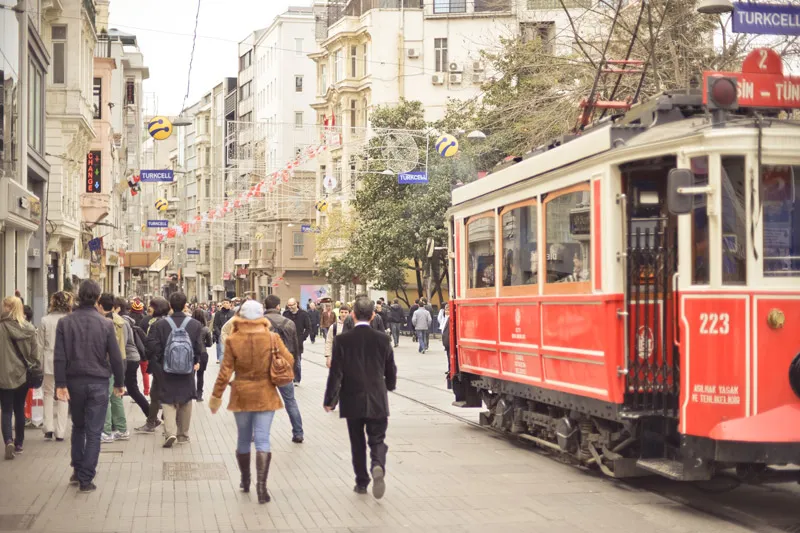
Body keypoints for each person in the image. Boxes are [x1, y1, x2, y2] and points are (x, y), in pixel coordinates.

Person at [210, 300, 294, 504]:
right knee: (263, 439)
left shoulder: (233, 340)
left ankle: (245, 479)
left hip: (241, 393)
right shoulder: (272, 338)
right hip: (266, 393)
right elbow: (290, 359)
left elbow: (225, 372)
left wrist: (216, 396)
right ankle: (262, 487)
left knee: (243, 438)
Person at [54, 280, 124, 492]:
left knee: (78, 426)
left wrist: (60, 384)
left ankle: (77, 469)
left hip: (74, 381)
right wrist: (119, 383)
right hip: (99, 382)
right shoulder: (105, 324)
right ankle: (86, 478)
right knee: (94, 432)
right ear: (97, 298)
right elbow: (116, 357)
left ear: (78, 295)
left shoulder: (65, 323)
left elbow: (59, 356)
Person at [324, 297, 396, 499]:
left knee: (357, 442)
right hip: (377, 397)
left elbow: (336, 373)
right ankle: (377, 464)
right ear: (373, 316)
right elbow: (390, 368)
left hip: (351, 397)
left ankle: (361, 482)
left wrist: (330, 400)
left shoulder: (342, 340)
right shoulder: (383, 339)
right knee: (377, 438)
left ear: (353, 315)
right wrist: (389, 385)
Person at [146, 292, 204, 447]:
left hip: (167, 369)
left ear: (170, 305)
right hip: (187, 369)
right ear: (185, 305)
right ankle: (183, 435)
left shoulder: (160, 324)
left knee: (167, 399)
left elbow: (152, 345)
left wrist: (161, 360)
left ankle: (170, 432)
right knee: (186, 400)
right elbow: (199, 347)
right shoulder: (195, 324)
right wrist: (195, 361)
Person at [0, 296, 41, 459]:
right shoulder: (29, 328)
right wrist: (33, 365)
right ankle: (19, 443)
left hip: (3, 375)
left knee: (6, 409)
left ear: (7, 308)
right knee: (19, 409)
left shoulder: (1, 327)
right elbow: (35, 354)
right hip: (23, 374)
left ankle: (8, 441)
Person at [263, 295, 305, 443]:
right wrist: (293, 368)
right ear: (278, 307)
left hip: (265, 368)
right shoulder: (289, 323)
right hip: (284, 368)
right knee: (290, 401)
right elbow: (295, 349)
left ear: (265, 306)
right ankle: (298, 433)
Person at [38, 291, 72, 442]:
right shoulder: (70, 320)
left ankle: (48, 428)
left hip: (48, 359)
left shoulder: (45, 320)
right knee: (63, 394)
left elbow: (39, 345)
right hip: (65, 360)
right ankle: (60, 431)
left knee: (48, 393)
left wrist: (38, 363)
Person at [97, 293, 129, 443]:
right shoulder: (120, 320)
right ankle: (122, 430)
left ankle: (106, 431)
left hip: (108, 362)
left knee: (106, 398)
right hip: (120, 360)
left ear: (100, 305)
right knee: (116, 397)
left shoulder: (105, 322)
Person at [135, 297, 170, 433]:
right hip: (170, 363)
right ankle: (153, 420)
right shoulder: (170, 321)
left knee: (158, 393)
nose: (149, 308)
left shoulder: (155, 323)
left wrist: (147, 352)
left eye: (151, 305)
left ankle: (158, 421)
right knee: (156, 393)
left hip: (159, 363)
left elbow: (151, 345)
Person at [282, 298, 311, 384]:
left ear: (296, 304)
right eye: (289, 305)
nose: (290, 307)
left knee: (297, 361)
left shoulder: (303, 314)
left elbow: (308, 328)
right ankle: (290, 377)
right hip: (287, 341)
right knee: (288, 360)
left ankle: (297, 379)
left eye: (292, 305)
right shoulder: (285, 314)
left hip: (298, 341)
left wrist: (303, 337)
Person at [129, 299, 150, 396]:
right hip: (143, 351)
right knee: (145, 372)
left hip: (131, 351)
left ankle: (135, 393)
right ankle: (146, 392)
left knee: (132, 374)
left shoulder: (128, 320)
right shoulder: (146, 320)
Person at [192, 309, 213, 402]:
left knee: (191, 375)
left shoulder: (190, 328)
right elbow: (210, 344)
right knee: (200, 375)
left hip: (191, 353)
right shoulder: (205, 329)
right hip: (203, 353)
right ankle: (199, 395)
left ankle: (191, 392)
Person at [324, 304, 350, 369]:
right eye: (342, 312)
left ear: (349, 313)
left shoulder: (353, 326)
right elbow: (329, 342)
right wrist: (328, 357)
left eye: (346, 312)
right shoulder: (334, 327)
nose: (343, 314)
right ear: (339, 313)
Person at [212, 300, 234, 364]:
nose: (225, 304)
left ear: (230, 304)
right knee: (222, 351)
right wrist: (219, 333)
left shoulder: (233, 313)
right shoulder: (218, 313)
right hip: (221, 334)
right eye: (223, 303)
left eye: (227, 303)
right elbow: (215, 324)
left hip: (231, 334)